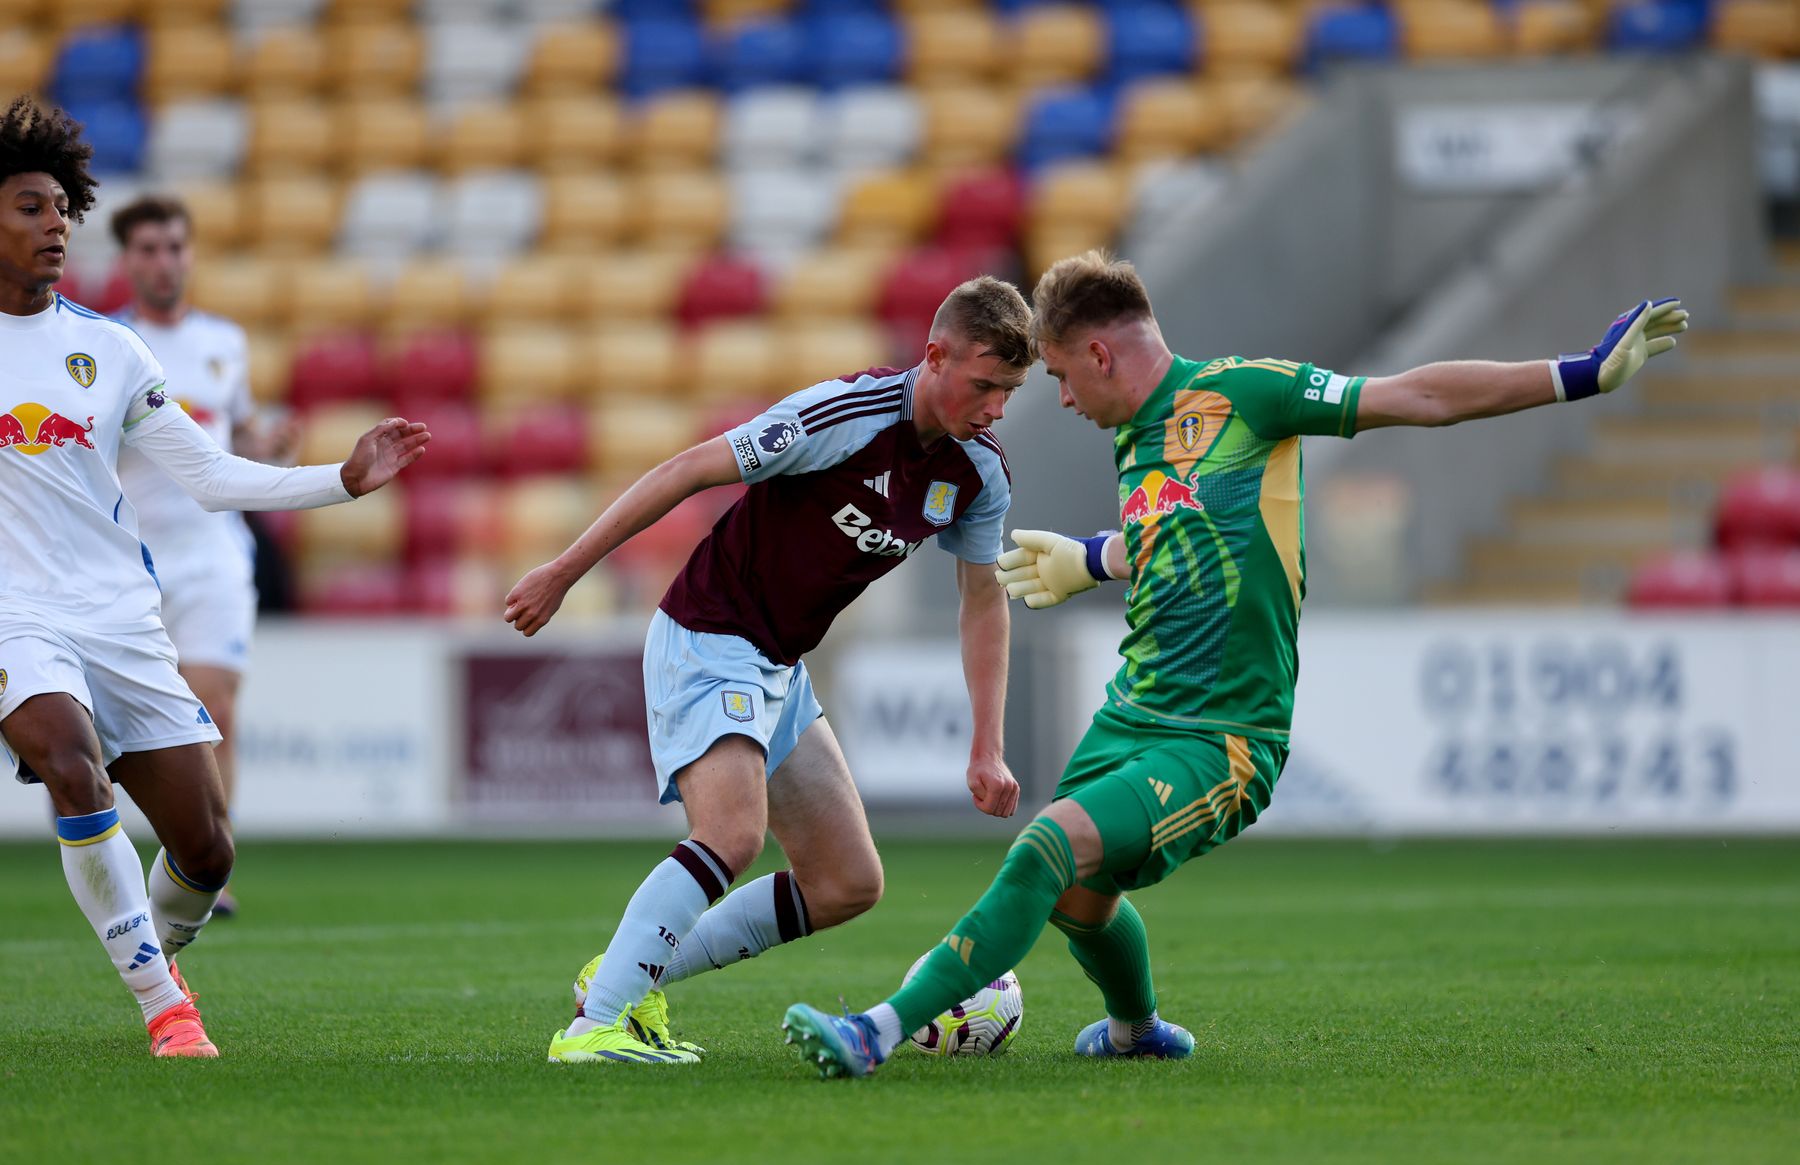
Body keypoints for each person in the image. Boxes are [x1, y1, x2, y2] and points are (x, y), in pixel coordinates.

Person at [782, 248, 1688, 1078]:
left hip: (1223, 736)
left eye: (1057, 375)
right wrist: (1093, 559)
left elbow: (1417, 395)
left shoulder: (1246, 394)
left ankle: (877, 1030)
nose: (1057, 399)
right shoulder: (1137, 442)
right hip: (1133, 711)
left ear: (1098, 355)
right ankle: (1138, 1031)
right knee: (1079, 901)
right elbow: (1183, 531)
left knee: (1046, 850)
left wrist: (1580, 375)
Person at [504, 277, 1033, 1065]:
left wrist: (985, 745)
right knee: (732, 834)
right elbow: (689, 469)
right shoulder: (843, 417)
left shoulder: (978, 473)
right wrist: (565, 570)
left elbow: (983, 599)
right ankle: (593, 1030)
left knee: (846, 881)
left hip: (778, 665)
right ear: (934, 356)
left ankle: (620, 975)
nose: (994, 407)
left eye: (1010, 392)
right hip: (711, 633)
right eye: (985, 385)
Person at [0, 96, 429, 1057]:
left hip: (121, 619)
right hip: (14, 617)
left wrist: (343, 480)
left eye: (62, 208)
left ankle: (160, 949)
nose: (55, 225)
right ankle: (166, 1007)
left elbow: (210, 474)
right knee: (71, 767)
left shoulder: (109, 353)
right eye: (31, 207)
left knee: (206, 849)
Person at [110, 193, 294, 919]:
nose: (164, 261)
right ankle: (155, 857)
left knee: (215, 708)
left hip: (214, 551)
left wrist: (266, 447)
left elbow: (231, 433)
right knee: (137, 727)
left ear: (190, 255)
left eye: (175, 247)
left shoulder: (225, 340)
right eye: (149, 249)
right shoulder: (107, 346)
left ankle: (207, 863)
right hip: (131, 558)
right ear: (129, 260)